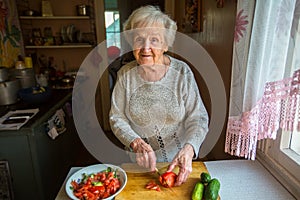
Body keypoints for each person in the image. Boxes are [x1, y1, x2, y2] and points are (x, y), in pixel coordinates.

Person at [109, 5, 209, 186]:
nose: (145, 47)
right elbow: (117, 117)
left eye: (154, 39)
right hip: (138, 163)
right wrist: (135, 143)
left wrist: (189, 149)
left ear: (165, 44)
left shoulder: (182, 73)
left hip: (177, 163)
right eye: (139, 39)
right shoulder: (125, 75)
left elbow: (198, 119)